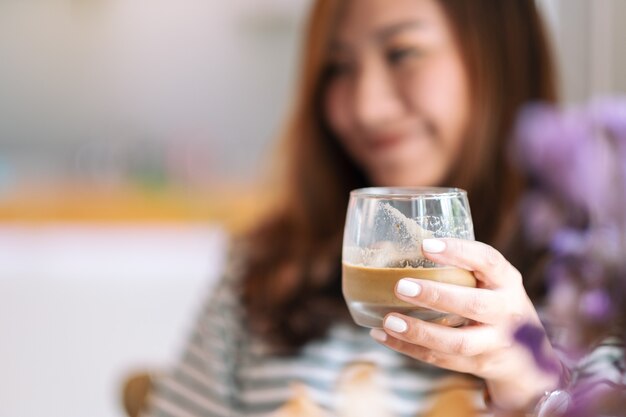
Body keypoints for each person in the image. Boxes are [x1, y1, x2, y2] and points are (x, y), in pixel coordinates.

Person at [142, 1, 624, 416]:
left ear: (500, 56)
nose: (366, 107)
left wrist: (535, 393)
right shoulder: (267, 269)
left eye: (403, 53)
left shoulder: (597, 284)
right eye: (339, 67)